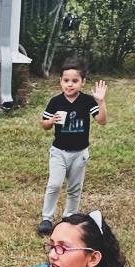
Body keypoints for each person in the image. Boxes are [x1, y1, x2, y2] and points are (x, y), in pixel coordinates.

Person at [36, 60, 108, 236]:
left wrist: (101, 101)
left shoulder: (87, 101)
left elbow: (102, 120)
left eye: (74, 81)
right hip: (59, 152)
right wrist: (52, 121)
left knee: (74, 188)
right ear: (60, 81)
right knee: (54, 184)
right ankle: (47, 218)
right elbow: (44, 124)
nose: (70, 84)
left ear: (82, 82)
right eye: (66, 80)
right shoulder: (55, 102)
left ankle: (69, 217)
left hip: (79, 153)